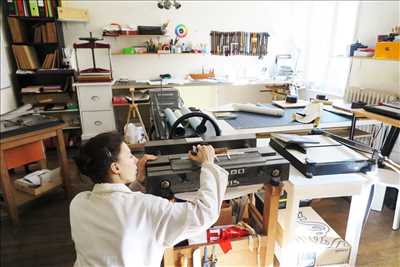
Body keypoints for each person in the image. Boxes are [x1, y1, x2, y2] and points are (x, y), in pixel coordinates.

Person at [71, 132, 228, 267]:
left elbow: (117, 207)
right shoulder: (146, 207)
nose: (135, 160)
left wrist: (138, 182)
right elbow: (204, 214)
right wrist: (208, 165)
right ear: (115, 168)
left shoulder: (78, 204)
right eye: (130, 155)